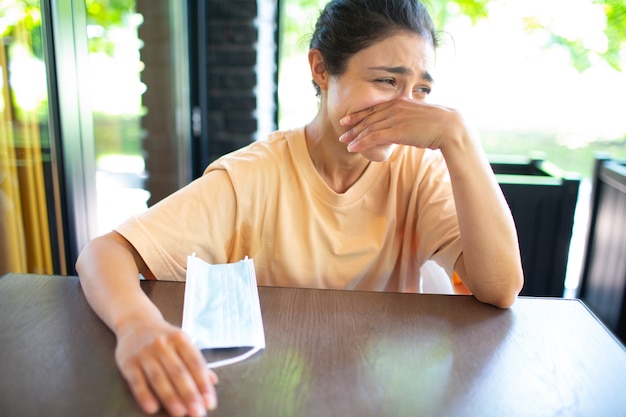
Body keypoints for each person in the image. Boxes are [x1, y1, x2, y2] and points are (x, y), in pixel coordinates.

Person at [76, 0, 524, 415]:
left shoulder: (419, 170)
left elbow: (501, 287)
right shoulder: (254, 175)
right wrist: (137, 326)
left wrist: (459, 138)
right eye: (387, 81)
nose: (407, 110)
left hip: (380, 395)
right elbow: (105, 252)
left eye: (422, 91)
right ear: (321, 69)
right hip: (274, 390)